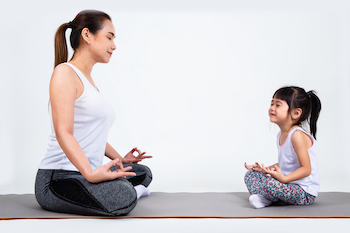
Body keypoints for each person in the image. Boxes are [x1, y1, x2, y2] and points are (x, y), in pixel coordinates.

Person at [35, 10, 152, 216]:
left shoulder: (87, 81)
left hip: (84, 175)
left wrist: (119, 160)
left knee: (142, 173)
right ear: (87, 35)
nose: (113, 45)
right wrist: (89, 173)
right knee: (123, 195)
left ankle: (128, 190)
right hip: (59, 179)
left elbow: (89, 133)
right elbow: (64, 132)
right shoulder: (64, 73)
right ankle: (131, 193)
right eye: (109, 37)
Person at [244, 86, 321, 209]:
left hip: (303, 192)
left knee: (270, 184)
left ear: (296, 113)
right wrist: (264, 170)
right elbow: (286, 163)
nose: (272, 108)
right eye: (271, 103)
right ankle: (268, 198)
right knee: (251, 175)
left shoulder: (297, 135)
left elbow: (306, 169)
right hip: (288, 185)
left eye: (278, 105)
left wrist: (284, 179)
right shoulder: (281, 134)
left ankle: (266, 198)